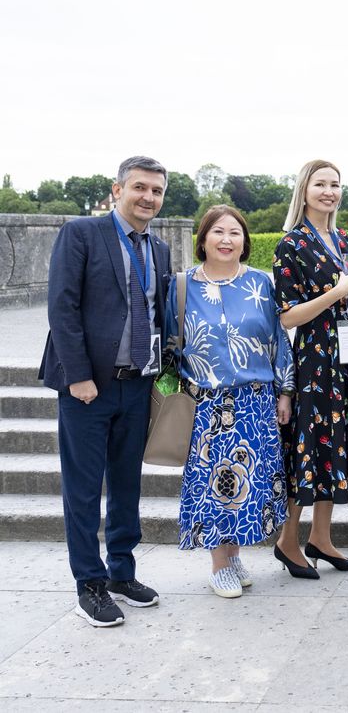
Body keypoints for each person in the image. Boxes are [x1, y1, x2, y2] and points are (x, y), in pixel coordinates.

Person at [41, 156, 172, 627]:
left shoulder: (158, 249)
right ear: (117, 190)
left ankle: (122, 572)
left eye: (156, 191)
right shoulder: (82, 234)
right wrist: (78, 376)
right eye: (140, 188)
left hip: (137, 385)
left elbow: (158, 315)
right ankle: (89, 585)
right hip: (87, 388)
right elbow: (63, 306)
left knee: (126, 486)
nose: (148, 198)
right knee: (82, 490)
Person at [169, 205, 293, 597]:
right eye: (218, 232)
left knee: (246, 482)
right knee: (212, 484)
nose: (226, 239)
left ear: (245, 241)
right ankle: (218, 563)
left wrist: (285, 391)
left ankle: (233, 554)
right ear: (203, 239)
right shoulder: (182, 284)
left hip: (255, 401)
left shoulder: (260, 283)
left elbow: (278, 339)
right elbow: (171, 344)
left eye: (235, 232)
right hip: (205, 404)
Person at [273, 160, 348, 579]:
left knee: (335, 447)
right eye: (320, 183)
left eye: (335, 184)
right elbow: (287, 317)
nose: (329, 191)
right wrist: (335, 292)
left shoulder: (342, 238)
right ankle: (288, 540)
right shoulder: (291, 243)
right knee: (311, 446)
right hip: (316, 360)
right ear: (304, 190)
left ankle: (320, 538)